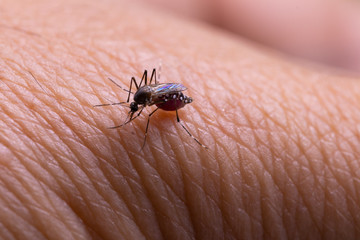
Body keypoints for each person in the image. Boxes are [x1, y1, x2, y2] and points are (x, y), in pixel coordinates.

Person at [1, 0, 359, 238]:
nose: (134, 106)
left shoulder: (152, 100)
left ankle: (185, 131)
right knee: (148, 94)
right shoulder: (143, 94)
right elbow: (144, 92)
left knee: (158, 108)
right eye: (134, 106)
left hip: (167, 96)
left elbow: (158, 96)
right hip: (162, 93)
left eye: (133, 106)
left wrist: (150, 113)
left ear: (139, 102)